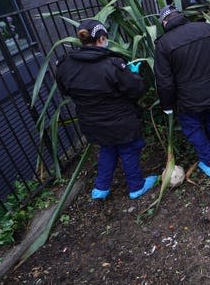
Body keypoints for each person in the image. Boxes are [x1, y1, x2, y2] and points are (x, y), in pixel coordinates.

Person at [55, 19, 158, 200]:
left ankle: (101, 188)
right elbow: (137, 91)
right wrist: (133, 74)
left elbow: (64, 91)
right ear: (102, 38)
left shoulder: (65, 65)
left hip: (91, 122)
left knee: (107, 149)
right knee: (128, 150)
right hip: (120, 121)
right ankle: (136, 187)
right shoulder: (112, 65)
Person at [154, 5, 210, 178]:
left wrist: (167, 104)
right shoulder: (206, 28)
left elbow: (164, 81)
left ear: (164, 22)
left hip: (187, 98)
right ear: (180, 16)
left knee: (192, 127)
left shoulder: (164, 44)